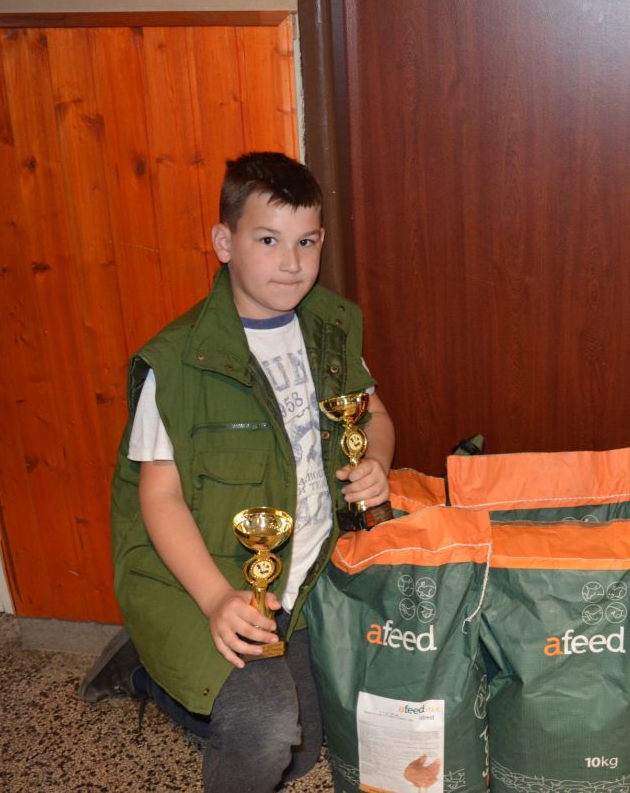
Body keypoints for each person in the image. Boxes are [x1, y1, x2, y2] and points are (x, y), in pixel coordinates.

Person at [78, 152, 394, 792]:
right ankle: (163, 659)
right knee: (267, 726)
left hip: (294, 582)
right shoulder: (180, 360)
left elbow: (375, 416)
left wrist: (377, 463)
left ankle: (145, 671)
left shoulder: (331, 329)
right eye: (268, 240)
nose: (291, 262)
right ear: (224, 243)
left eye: (306, 242)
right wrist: (216, 599)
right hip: (202, 580)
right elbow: (159, 497)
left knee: (300, 750)